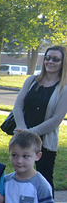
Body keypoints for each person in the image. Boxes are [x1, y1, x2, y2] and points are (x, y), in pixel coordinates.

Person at [11, 46, 67, 189]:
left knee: (45, 180)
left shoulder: (64, 88)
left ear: (63, 63)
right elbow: (18, 106)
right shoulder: (31, 80)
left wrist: (31, 133)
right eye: (47, 58)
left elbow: (56, 119)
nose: (50, 62)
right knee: (19, 175)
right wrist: (22, 129)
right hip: (22, 136)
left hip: (45, 141)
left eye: (56, 59)